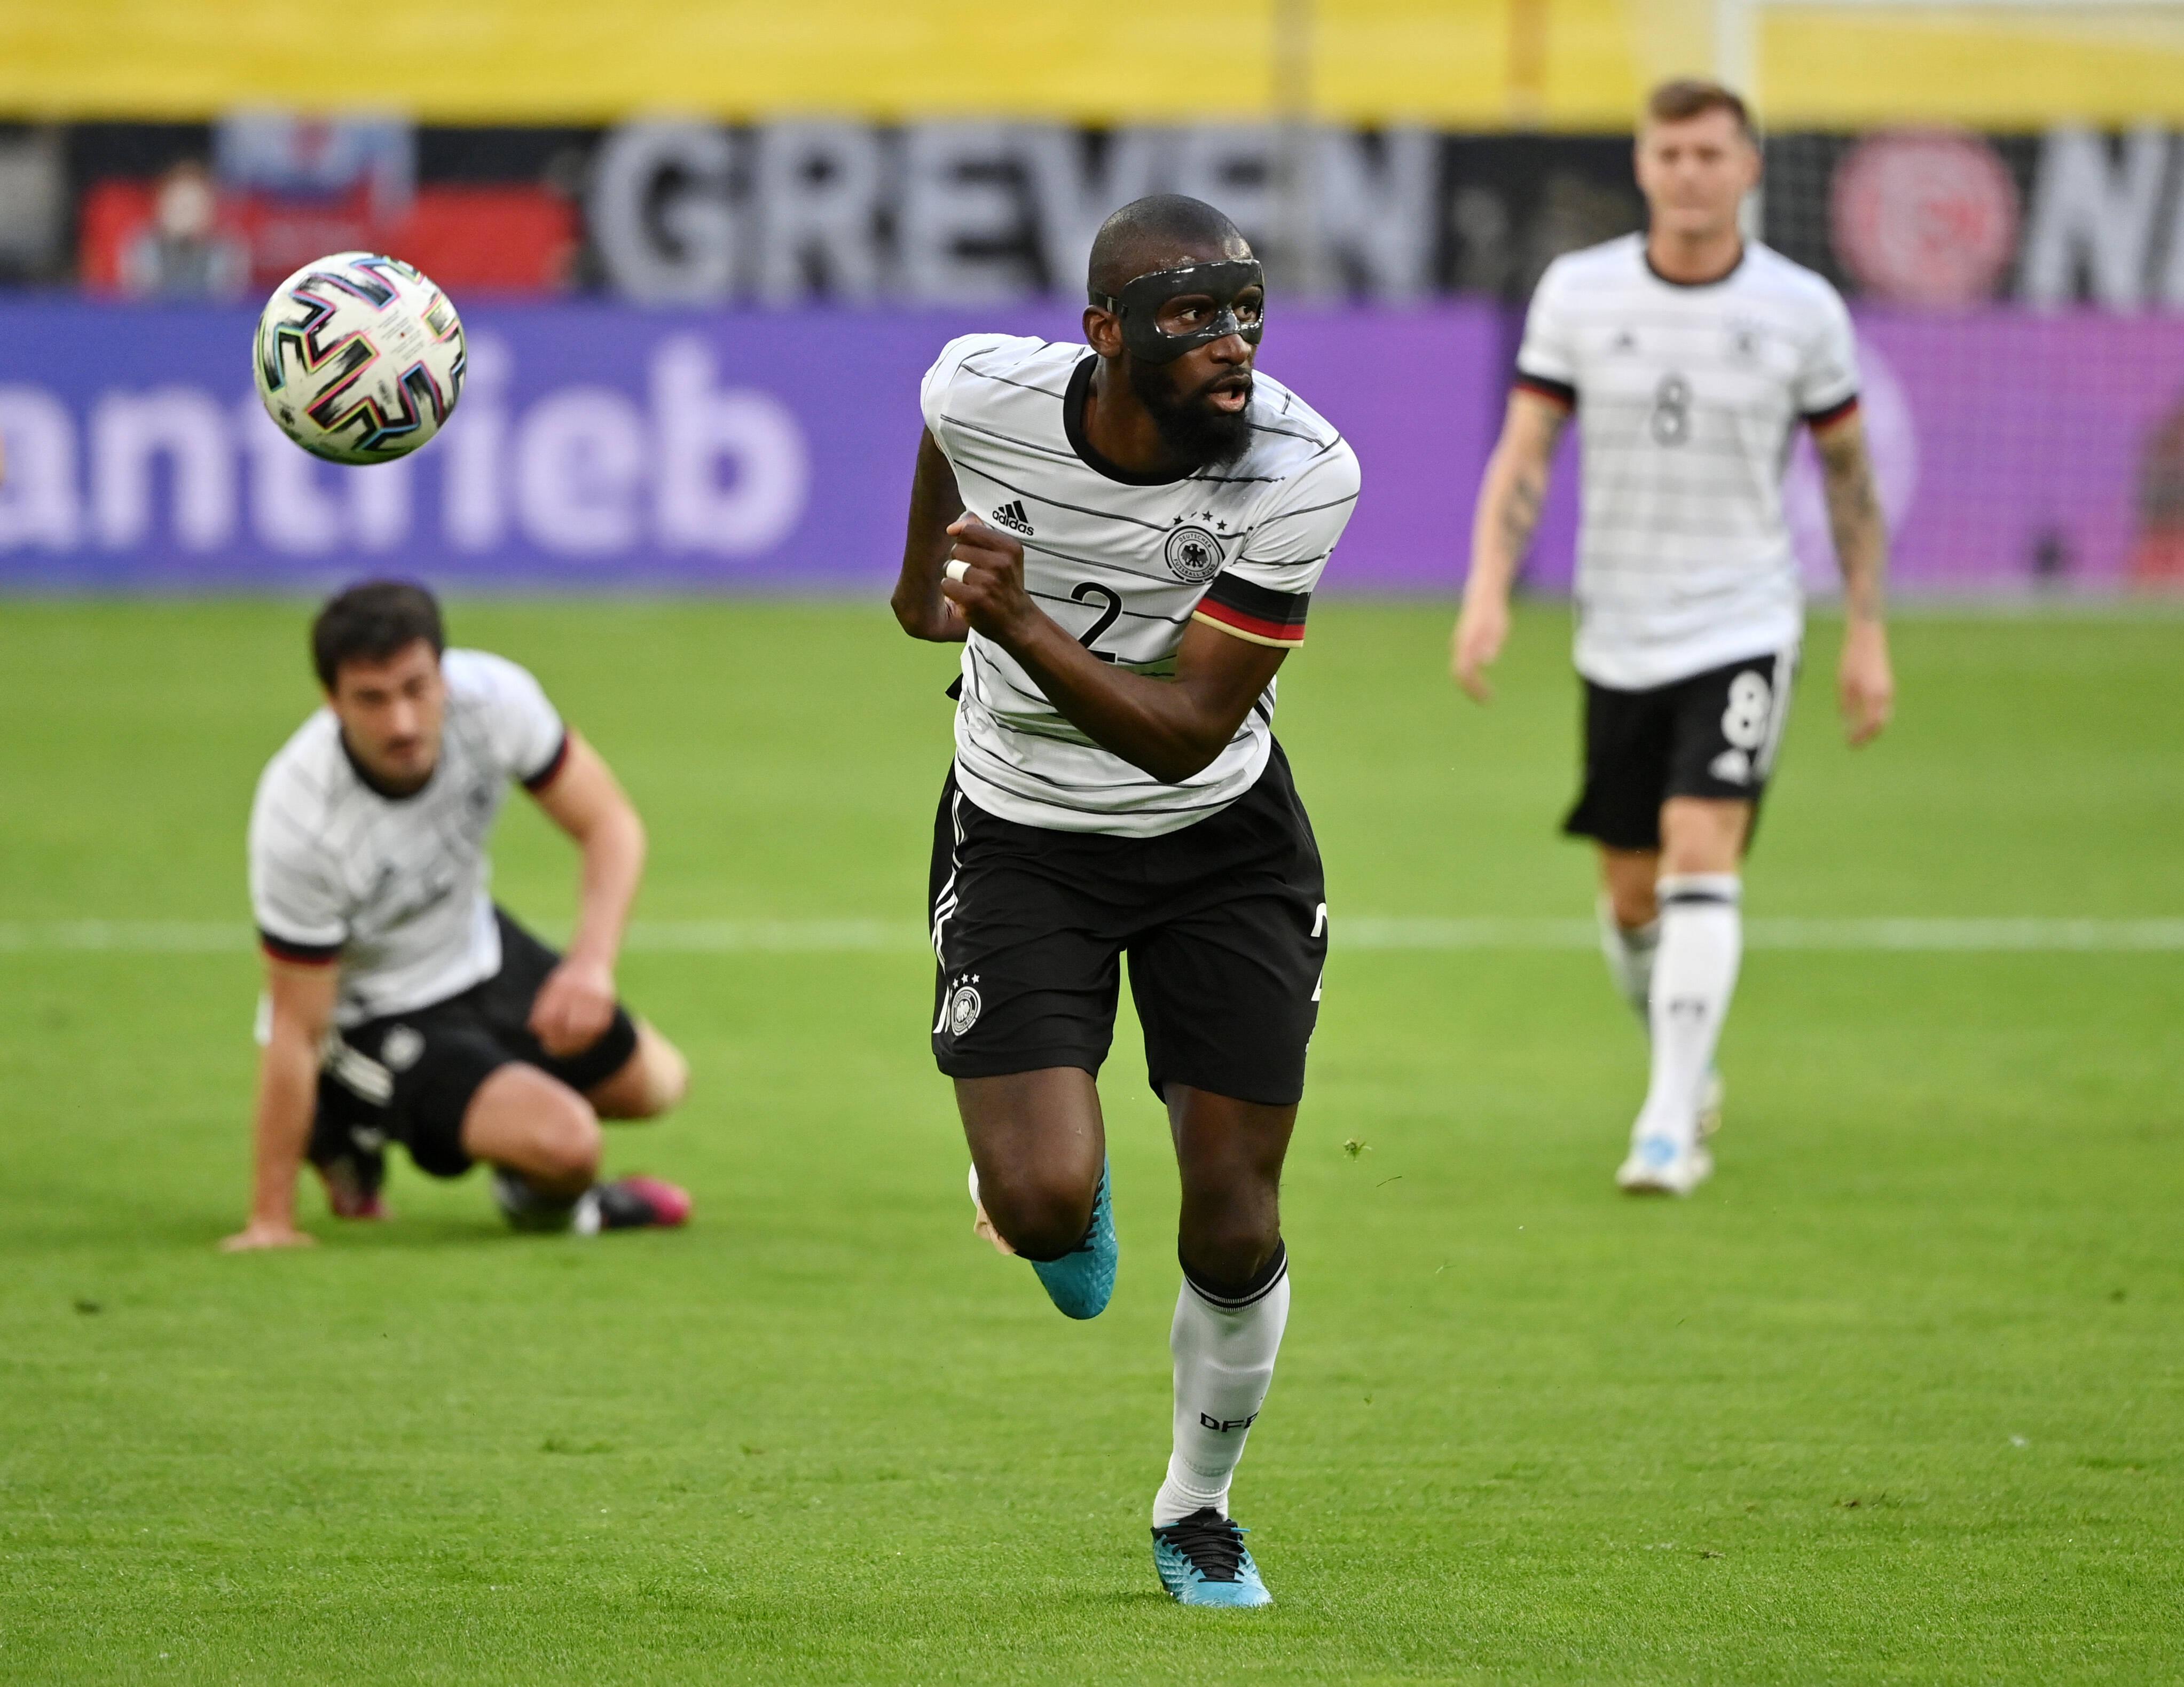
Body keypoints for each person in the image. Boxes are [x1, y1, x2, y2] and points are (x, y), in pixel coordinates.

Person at [891, 195, 1359, 1606]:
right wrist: (930, 588)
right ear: (1105, 333)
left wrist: (1012, 615)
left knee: (1232, 1207)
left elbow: (1186, 730)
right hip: (1021, 833)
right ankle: (1043, 1179)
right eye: (1192, 318)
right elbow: (944, 461)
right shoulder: (981, 385)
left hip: (1221, 842)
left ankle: (1197, 1505)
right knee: (1045, 1204)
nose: (1232, 345)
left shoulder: (1301, 466)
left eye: (1245, 314)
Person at [1450, 79, 1895, 1196]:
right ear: (1642, 167)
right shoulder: (1578, 293)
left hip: (1744, 618)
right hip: (1618, 630)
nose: (1689, 172)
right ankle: (1681, 1065)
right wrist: (1487, 590)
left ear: (1748, 168)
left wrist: (1865, 633)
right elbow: (1524, 453)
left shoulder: (1802, 309)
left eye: (1710, 154)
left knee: (1705, 845)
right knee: (1630, 896)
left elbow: (1847, 480)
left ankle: (1663, 1123)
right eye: (1668, 154)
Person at [224, 580, 692, 1251]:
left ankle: (510, 1149)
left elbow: (611, 825)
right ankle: (346, 1120)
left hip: (477, 951)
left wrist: (590, 965)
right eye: (372, 700)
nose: (403, 723)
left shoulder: (494, 700)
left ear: (442, 674)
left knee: (658, 1085)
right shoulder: (300, 818)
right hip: (372, 1014)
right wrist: (271, 1220)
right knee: (569, 1146)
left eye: (416, 688)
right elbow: (296, 1027)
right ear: (332, 701)